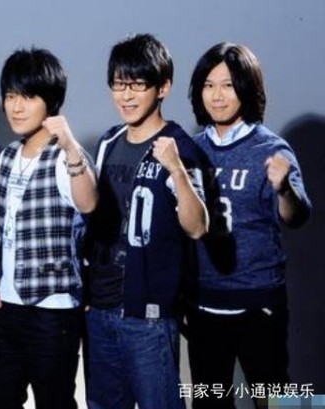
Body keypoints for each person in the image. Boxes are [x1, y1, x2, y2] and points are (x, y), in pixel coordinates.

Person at [82, 33, 208, 409]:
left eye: (137, 85)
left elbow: (196, 226)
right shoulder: (108, 142)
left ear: (162, 87)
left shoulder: (180, 147)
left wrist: (177, 170)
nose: (126, 95)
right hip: (100, 309)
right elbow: (94, 220)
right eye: (119, 85)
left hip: (148, 316)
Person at [185, 42, 312, 409]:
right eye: (209, 85)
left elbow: (297, 215)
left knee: (275, 401)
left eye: (227, 85)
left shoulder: (271, 148)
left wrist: (284, 188)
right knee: (210, 401)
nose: (217, 95)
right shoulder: (189, 150)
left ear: (247, 87)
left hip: (258, 303)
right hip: (204, 305)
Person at [0, 47, 97, 409]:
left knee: (55, 402)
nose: (16, 107)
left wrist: (72, 147)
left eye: (28, 97)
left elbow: (89, 203)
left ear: (51, 101)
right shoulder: (6, 156)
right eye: (10, 96)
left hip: (53, 311)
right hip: (6, 309)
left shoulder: (66, 158)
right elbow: (5, 224)